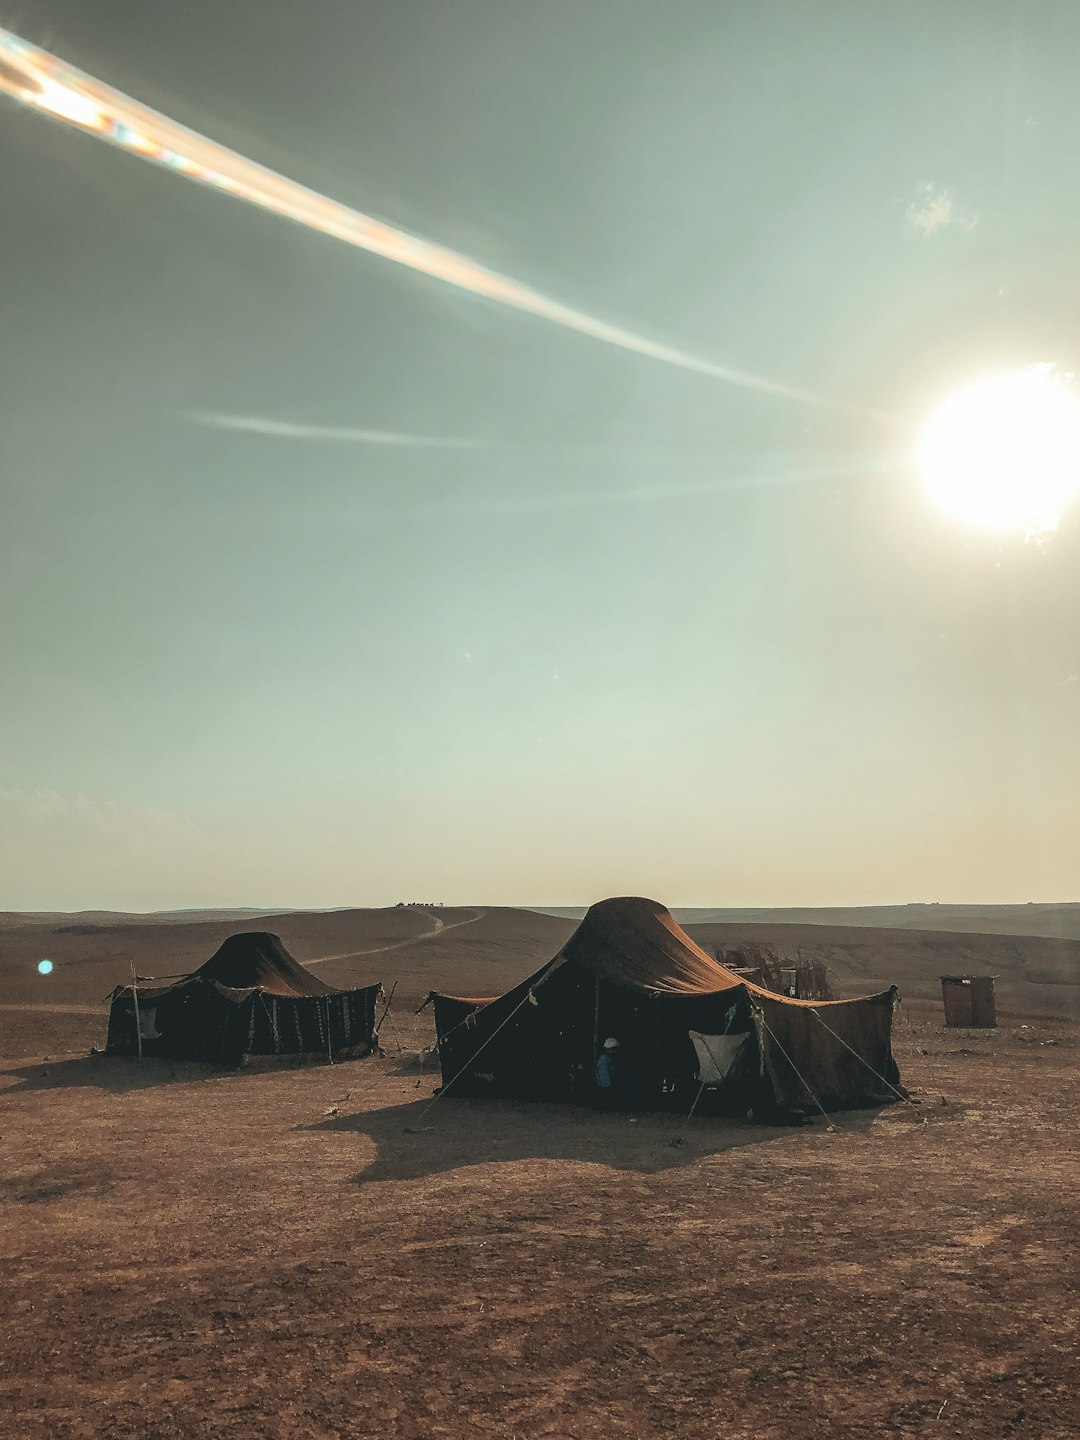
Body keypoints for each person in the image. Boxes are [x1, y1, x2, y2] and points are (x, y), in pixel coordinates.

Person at [594, 1036, 620, 1104]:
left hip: (605, 1083)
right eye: (613, 1049)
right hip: (605, 1083)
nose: (615, 1051)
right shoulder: (604, 1059)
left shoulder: (606, 1058)